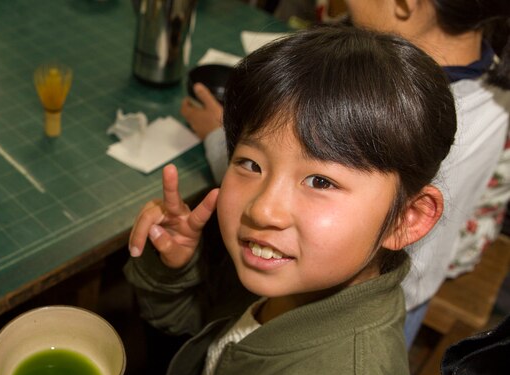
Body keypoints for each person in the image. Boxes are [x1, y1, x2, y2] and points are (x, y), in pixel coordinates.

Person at [0, 25, 457, 375]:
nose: (264, 209)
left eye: (320, 180)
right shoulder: (300, 275)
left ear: (408, 217)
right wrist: (177, 268)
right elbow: (206, 338)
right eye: (250, 163)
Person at [183, 0, 510, 346]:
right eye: (250, 164)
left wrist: (220, 138)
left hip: (350, 306)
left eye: (321, 181)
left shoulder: (424, 118)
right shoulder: (491, 90)